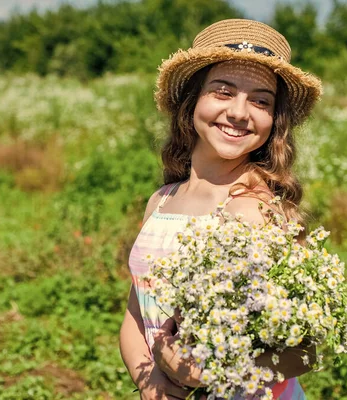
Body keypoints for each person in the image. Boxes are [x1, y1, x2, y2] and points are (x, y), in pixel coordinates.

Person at [119, 19, 322, 399]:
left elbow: (306, 351)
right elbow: (136, 311)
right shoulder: (161, 201)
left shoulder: (262, 212)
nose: (240, 112)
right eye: (223, 92)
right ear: (192, 101)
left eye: (261, 101)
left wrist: (213, 369)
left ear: (273, 122)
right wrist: (151, 383)